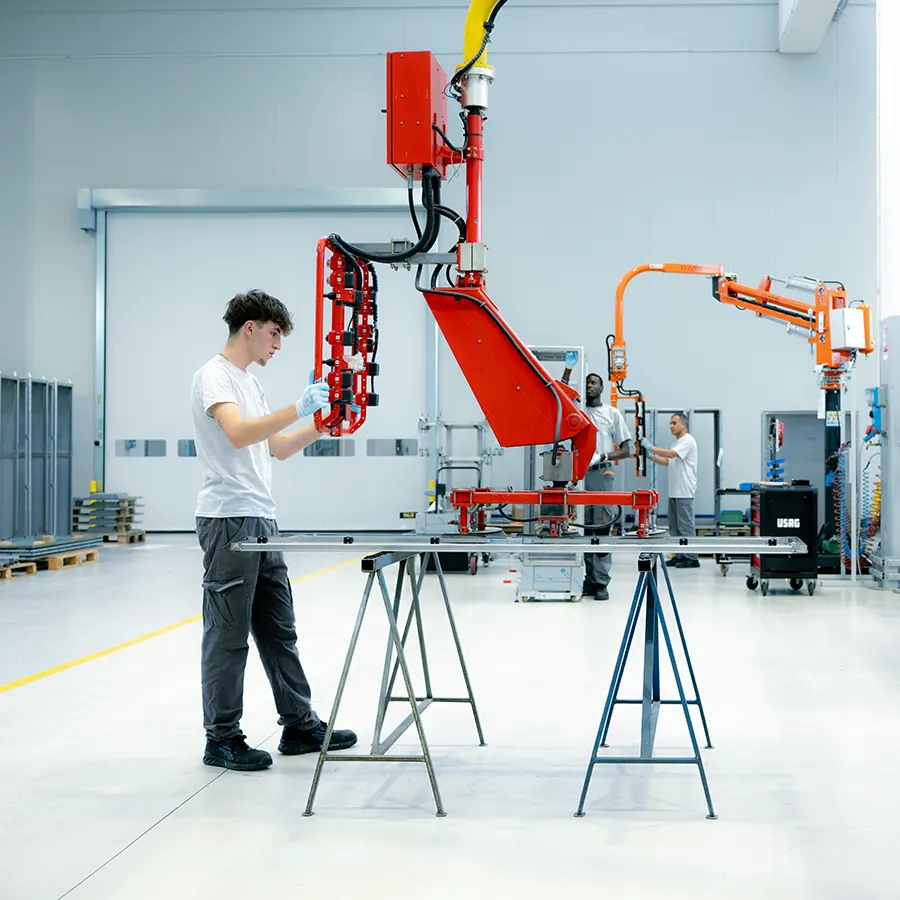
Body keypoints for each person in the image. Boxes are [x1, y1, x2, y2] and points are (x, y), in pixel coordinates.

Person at [190, 289, 357, 771]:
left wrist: (325, 423)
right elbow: (240, 433)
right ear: (250, 328)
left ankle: (299, 725)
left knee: (279, 630)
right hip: (229, 520)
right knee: (228, 635)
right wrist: (301, 405)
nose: (278, 344)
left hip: (262, 517)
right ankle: (221, 738)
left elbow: (276, 447)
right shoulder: (214, 377)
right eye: (275, 333)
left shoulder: (249, 383)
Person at [581, 373, 633, 600]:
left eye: (594, 383)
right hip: (580, 476)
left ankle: (601, 582)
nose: (589, 386)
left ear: (602, 387)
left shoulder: (612, 414)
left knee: (602, 526)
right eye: (586, 383)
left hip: (602, 473)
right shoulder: (578, 410)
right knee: (584, 529)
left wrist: (602, 456)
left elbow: (626, 449)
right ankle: (589, 580)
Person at [642, 413, 699, 568]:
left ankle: (691, 557)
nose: (671, 426)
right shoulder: (676, 442)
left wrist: (651, 447)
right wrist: (650, 456)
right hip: (674, 490)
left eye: (674, 423)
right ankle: (679, 554)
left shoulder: (688, 440)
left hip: (684, 491)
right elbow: (667, 461)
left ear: (683, 424)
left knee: (685, 526)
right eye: (670, 423)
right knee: (674, 527)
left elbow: (672, 454)